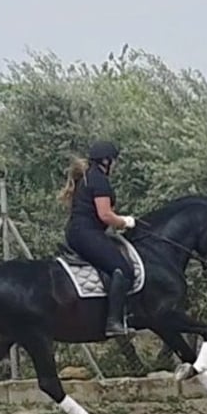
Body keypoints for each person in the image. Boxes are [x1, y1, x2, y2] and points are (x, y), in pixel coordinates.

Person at [58, 140, 136, 337]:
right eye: (114, 161)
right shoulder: (99, 180)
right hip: (87, 234)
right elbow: (105, 215)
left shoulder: (87, 177)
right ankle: (113, 322)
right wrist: (125, 222)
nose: (115, 165)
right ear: (106, 161)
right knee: (123, 269)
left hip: (78, 232)